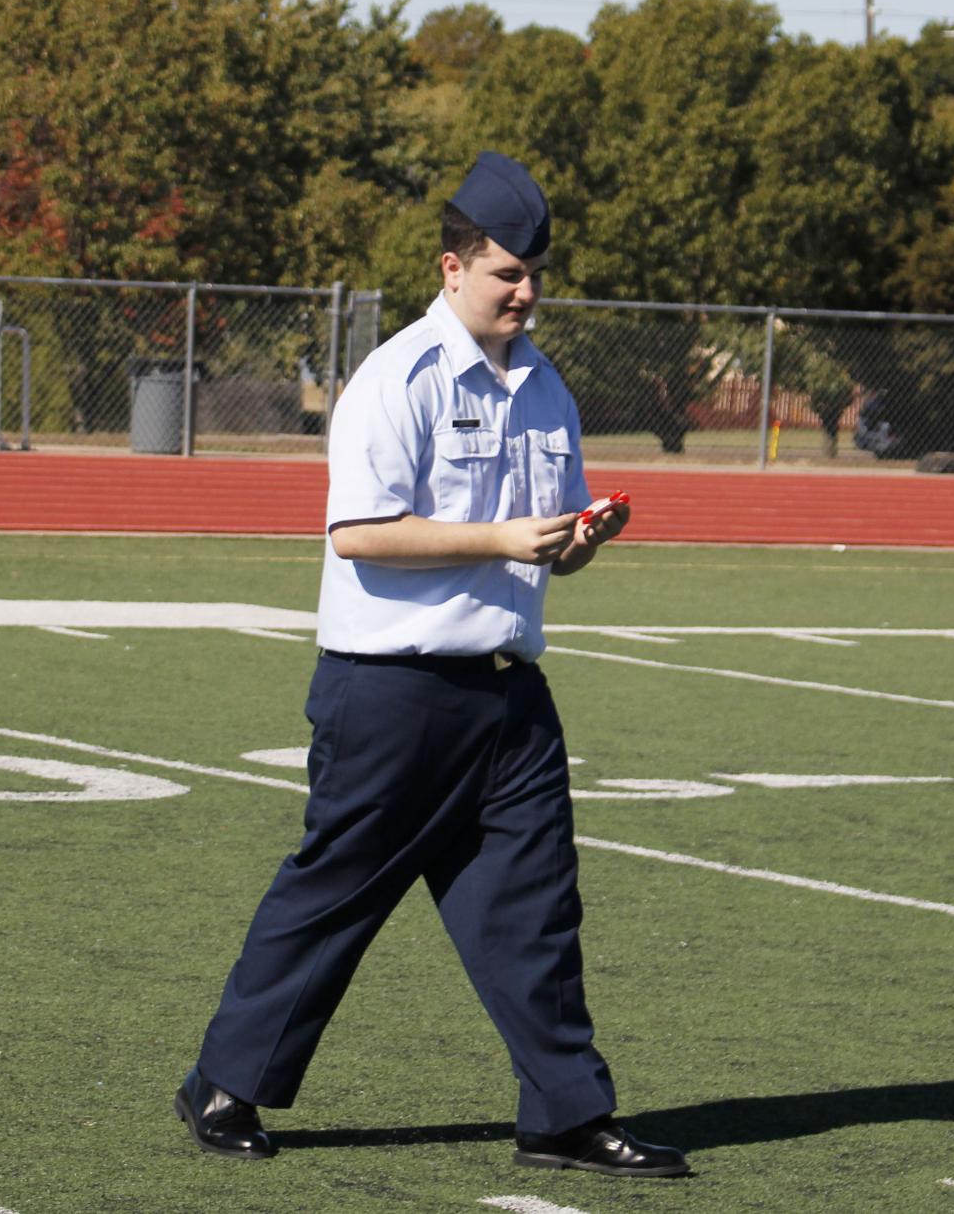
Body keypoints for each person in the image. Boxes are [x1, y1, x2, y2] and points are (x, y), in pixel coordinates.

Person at [176, 151, 689, 1179]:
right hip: (393, 691)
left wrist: (582, 539)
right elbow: (360, 534)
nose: (526, 292)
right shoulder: (395, 377)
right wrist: (502, 538)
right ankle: (224, 1086)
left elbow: (546, 540)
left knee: (537, 909)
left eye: (536, 272)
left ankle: (565, 1115)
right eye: (507, 273)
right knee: (337, 894)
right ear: (453, 268)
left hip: (509, 695)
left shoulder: (547, 388)